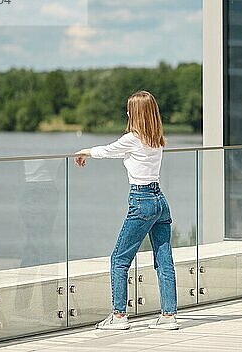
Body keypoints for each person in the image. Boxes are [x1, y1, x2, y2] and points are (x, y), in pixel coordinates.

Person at [74, 90, 180, 330]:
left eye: (129, 109)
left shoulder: (133, 138)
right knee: (164, 261)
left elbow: (107, 150)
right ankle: (169, 315)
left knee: (119, 259)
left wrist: (84, 151)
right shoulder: (157, 138)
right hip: (160, 200)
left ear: (135, 113)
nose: (127, 112)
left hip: (142, 200)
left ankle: (119, 316)